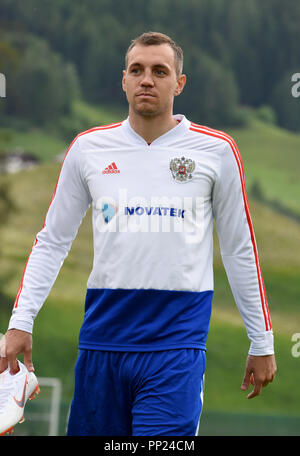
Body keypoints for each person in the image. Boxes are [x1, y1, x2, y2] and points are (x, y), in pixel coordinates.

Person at [0, 31, 276, 436]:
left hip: (175, 347)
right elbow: (53, 240)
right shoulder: (88, 149)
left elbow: (239, 250)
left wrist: (262, 340)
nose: (147, 79)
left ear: (178, 83)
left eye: (160, 71)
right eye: (137, 70)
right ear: (124, 80)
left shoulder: (216, 151)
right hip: (101, 343)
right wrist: (20, 321)